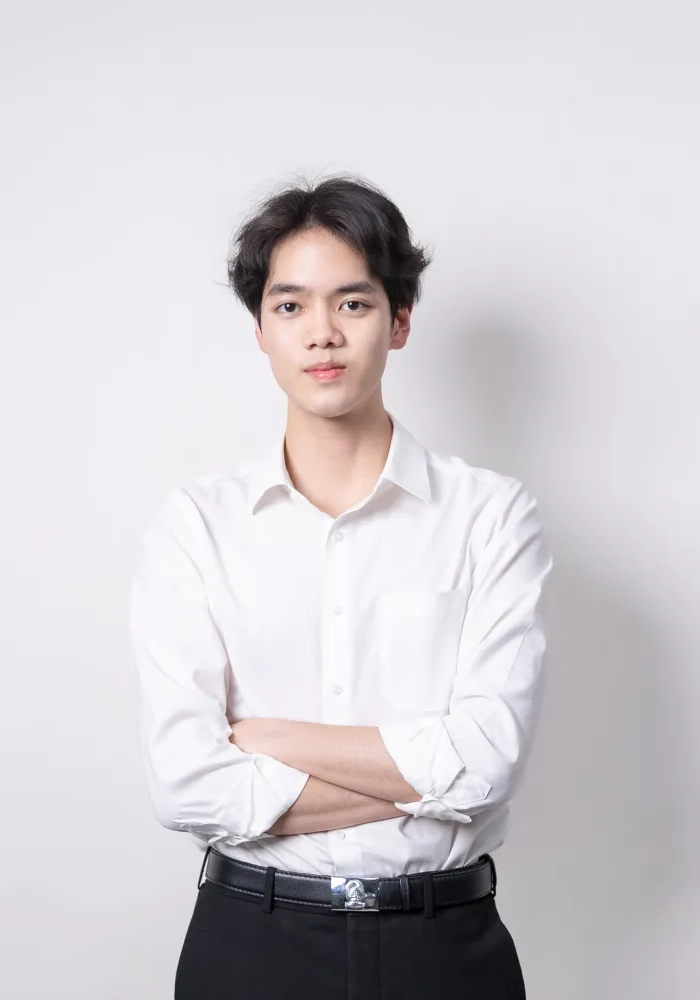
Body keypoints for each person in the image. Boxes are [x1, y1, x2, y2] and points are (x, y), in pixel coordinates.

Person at [128, 174, 554, 1000]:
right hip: (251, 944)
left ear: (400, 321)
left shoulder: (491, 517)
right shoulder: (197, 526)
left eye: (352, 303)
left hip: (444, 948)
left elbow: (488, 762)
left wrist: (270, 738)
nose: (321, 332)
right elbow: (185, 784)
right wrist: (430, 785)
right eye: (290, 306)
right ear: (261, 330)